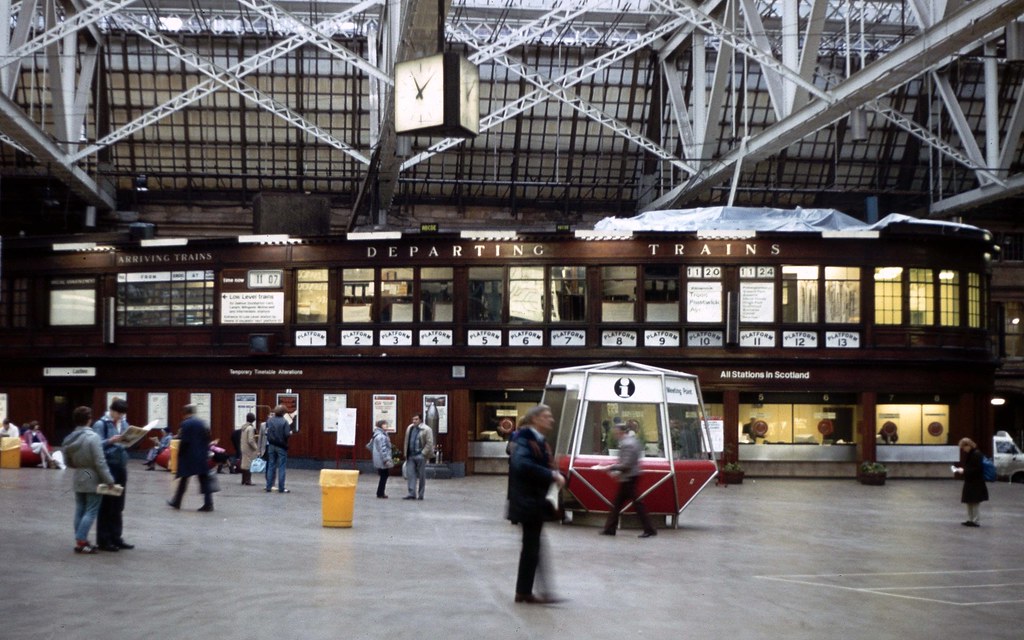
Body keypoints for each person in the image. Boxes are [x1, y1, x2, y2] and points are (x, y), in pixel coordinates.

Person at [507, 404, 566, 605]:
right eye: (546, 416)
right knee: (533, 548)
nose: (551, 419)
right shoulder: (524, 439)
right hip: (527, 502)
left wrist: (555, 474)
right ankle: (526, 592)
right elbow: (522, 464)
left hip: (533, 501)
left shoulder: (539, 440)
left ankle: (525, 592)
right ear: (535, 419)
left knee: (533, 548)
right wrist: (551, 474)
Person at [61, 406, 116, 554]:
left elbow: (67, 461)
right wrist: (109, 480)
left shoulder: (68, 438)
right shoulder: (93, 438)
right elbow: (100, 461)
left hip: (79, 473)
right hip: (92, 474)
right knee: (91, 510)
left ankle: (80, 541)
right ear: (89, 420)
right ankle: (82, 539)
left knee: (80, 508)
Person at [598, 421, 657, 538]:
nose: (614, 434)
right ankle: (610, 528)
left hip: (629, 478)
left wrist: (610, 467)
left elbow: (626, 464)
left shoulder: (627, 444)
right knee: (620, 504)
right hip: (630, 477)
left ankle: (649, 529)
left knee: (634, 504)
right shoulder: (632, 441)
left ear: (620, 432)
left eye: (616, 432)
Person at [92, 398, 133, 552]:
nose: (121, 418)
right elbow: (96, 445)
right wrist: (110, 441)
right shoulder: (101, 424)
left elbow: (128, 439)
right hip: (108, 466)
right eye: (119, 415)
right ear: (112, 411)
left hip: (121, 465)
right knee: (107, 504)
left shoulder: (123, 423)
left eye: (123, 416)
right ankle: (104, 539)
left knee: (118, 504)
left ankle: (116, 537)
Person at [167, 404, 215, 512]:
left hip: (189, 456)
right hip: (201, 456)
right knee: (204, 481)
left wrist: (179, 454)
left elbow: (185, 441)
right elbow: (208, 438)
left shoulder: (185, 424)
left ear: (185, 413)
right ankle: (208, 503)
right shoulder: (203, 423)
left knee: (184, 480)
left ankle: (177, 502)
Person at [954, 437, 989, 527]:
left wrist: (964, 471)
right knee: (969, 501)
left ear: (968, 445)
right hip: (971, 481)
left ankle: (976, 520)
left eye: (963, 447)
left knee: (975, 501)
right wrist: (964, 470)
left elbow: (976, 469)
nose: (963, 450)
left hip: (976, 481)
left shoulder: (976, 454)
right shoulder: (972, 454)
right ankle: (970, 519)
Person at [402, 413, 435, 500]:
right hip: (411, 455)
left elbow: (430, 443)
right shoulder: (410, 428)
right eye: (413, 419)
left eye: (416, 419)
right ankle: (411, 493)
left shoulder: (427, 429)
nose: (414, 421)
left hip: (420, 455)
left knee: (421, 476)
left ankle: (421, 494)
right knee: (411, 475)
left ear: (420, 420)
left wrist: (423, 453)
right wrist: (406, 453)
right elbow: (406, 441)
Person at [263, 404, 292, 494]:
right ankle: (281, 488)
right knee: (282, 466)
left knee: (271, 465)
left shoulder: (269, 421)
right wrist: (290, 433)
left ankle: (268, 486)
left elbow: (266, 432)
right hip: (281, 446)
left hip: (271, 445)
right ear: (284, 413)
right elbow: (287, 434)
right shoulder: (285, 422)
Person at [369, 420, 394, 498]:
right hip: (382, 459)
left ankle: (380, 492)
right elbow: (383, 449)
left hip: (379, 459)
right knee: (384, 475)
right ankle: (380, 492)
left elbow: (370, 446)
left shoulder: (377, 435)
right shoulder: (381, 436)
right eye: (384, 424)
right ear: (381, 426)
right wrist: (386, 459)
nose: (386, 426)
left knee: (383, 475)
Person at [239, 412, 259, 486]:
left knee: (244, 464)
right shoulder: (250, 428)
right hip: (248, 448)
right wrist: (256, 447)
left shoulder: (244, 427)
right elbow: (250, 440)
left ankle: (243, 480)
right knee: (248, 464)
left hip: (243, 447)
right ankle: (248, 480)